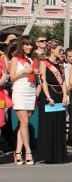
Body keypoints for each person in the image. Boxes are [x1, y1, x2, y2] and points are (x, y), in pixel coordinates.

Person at [37, 42, 68, 164]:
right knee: (49, 124)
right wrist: (48, 97)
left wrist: (65, 95)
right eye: (59, 50)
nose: (61, 52)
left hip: (59, 94)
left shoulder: (60, 64)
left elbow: (64, 81)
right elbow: (43, 80)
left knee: (59, 123)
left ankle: (58, 154)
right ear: (52, 50)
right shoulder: (44, 63)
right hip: (49, 94)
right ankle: (48, 154)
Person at [9, 35, 38, 165]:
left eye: (31, 45)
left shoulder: (32, 59)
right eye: (27, 44)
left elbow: (35, 77)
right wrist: (23, 72)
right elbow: (11, 78)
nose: (29, 47)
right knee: (25, 122)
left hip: (31, 90)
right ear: (21, 45)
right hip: (20, 91)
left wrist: (35, 72)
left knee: (23, 124)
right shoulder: (15, 59)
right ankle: (28, 151)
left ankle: (18, 151)